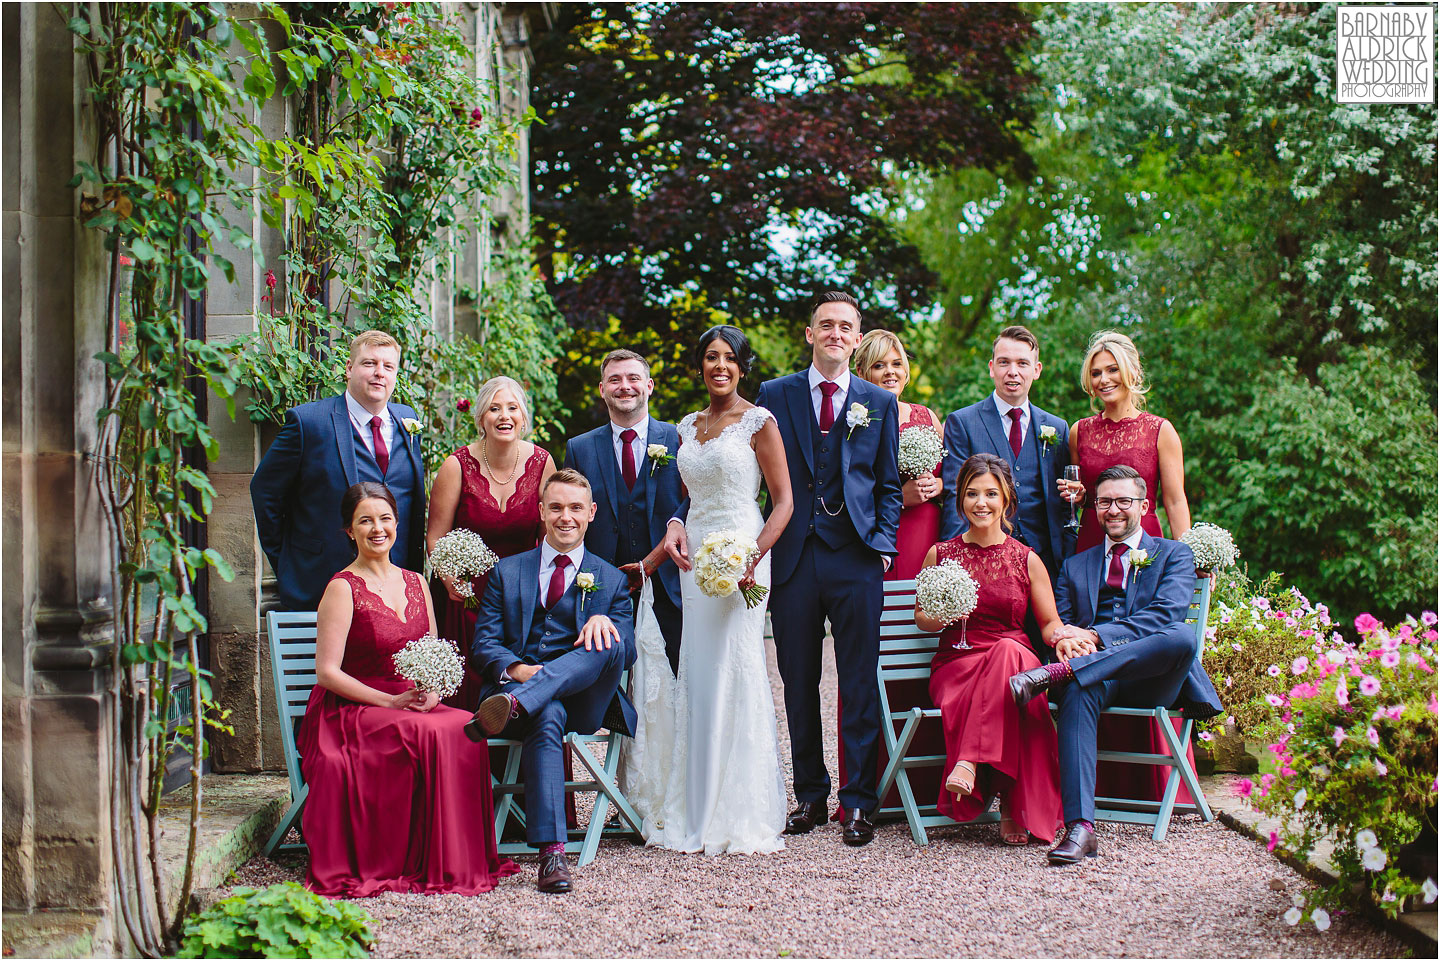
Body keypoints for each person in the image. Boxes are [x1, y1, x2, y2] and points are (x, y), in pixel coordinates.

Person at [667, 292, 902, 847]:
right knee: (796, 680)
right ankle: (812, 796)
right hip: (791, 555)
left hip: (857, 556)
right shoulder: (775, 396)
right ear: (810, 333)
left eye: (846, 326)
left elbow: (889, 483)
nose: (835, 334)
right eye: (826, 325)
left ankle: (859, 803)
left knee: (858, 680)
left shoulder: (878, 403)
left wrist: (883, 543)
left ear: (856, 334)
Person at [298, 482, 518, 896]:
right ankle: (410, 860)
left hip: (411, 700)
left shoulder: (418, 581)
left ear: (397, 523)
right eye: (365, 520)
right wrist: (389, 700)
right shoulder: (342, 588)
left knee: (465, 727)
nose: (376, 529)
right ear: (349, 530)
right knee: (429, 732)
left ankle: (455, 860)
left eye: (384, 519)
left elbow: (433, 651)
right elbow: (327, 673)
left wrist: (433, 691)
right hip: (352, 708)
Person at [1007, 466, 1222, 864]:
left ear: (1143, 505)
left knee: (1181, 636)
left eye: (1124, 501)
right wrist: (1069, 641)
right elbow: (1063, 623)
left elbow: (1166, 616)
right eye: (1105, 502)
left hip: (1153, 679)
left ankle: (1059, 675)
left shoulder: (1174, 554)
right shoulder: (1075, 566)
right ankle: (1080, 829)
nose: (1114, 510)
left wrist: (1096, 637)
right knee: (1078, 688)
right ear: (1095, 508)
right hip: (1095, 677)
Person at [635, 326, 794, 855]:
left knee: (735, 664)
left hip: (744, 554)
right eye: (710, 357)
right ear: (700, 366)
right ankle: (695, 802)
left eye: (729, 358)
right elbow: (687, 497)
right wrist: (677, 524)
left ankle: (739, 809)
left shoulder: (759, 422)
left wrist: (753, 557)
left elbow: (784, 502)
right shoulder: (687, 425)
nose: (719, 366)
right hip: (694, 557)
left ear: (742, 367)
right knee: (698, 669)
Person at [467, 469, 637, 894]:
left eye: (576, 508)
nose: (566, 517)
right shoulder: (507, 572)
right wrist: (521, 673)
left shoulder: (612, 579)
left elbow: (628, 651)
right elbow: (484, 644)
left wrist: (602, 618)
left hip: (582, 701)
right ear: (541, 511)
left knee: (610, 638)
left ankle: (524, 700)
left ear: (591, 513)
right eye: (557, 507)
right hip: (528, 696)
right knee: (547, 713)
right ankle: (553, 855)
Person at [916, 454, 1064, 845]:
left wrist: (1065, 638)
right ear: (960, 501)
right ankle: (1014, 807)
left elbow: (1048, 624)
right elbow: (923, 621)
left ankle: (969, 761)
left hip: (1013, 657)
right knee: (1015, 676)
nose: (981, 503)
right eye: (971, 494)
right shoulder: (940, 555)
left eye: (991, 494)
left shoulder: (1027, 559)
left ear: (1007, 499)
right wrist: (944, 610)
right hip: (957, 665)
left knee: (1008, 653)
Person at [251, 330, 427, 611]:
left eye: (388, 366)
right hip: (322, 583)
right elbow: (265, 491)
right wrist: (287, 561)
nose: (379, 373)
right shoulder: (309, 423)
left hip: (397, 588)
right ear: (349, 368)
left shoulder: (408, 419)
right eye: (369, 363)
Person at [426, 376, 556, 710]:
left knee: (513, 684)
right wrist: (448, 578)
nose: (504, 416)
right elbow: (435, 536)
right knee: (464, 690)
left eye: (512, 408)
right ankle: (465, 759)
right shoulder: (456, 466)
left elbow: (550, 536)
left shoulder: (542, 464)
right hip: (465, 597)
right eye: (494, 409)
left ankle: (515, 760)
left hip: (520, 595)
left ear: (523, 418)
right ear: (481, 417)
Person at [563, 349, 685, 675]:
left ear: (649, 386)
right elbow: (570, 521)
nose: (624, 386)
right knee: (610, 684)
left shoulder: (678, 438)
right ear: (602, 389)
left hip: (671, 584)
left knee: (675, 679)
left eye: (633, 378)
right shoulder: (580, 448)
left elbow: (692, 503)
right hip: (604, 586)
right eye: (614, 380)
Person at [939, 325, 1075, 581]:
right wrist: (953, 562)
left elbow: (1064, 503)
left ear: (1036, 370)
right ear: (992, 368)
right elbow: (954, 495)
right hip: (982, 558)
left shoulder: (1057, 428)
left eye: (1022, 363)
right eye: (1004, 363)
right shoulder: (963, 422)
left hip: (1046, 562)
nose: (1013, 372)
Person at [1070, 330, 1190, 553]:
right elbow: (1079, 498)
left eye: (1113, 370)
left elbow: (1175, 502)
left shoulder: (1161, 430)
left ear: (1133, 373)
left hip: (1144, 545)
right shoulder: (1079, 431)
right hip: (1092, 544)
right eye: (1096, 373)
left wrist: (1188, 561)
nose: (1104, 380)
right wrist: (1079, 497)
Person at [854, 329, 944, 580]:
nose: (890, 372)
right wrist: (899, 498)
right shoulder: (854, 421)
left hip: (926, 526)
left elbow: (956, 478)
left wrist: (938, 484)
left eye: (896, 364)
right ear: (862, 372)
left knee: (922, 606)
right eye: (879, 365)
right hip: (876, 530)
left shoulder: (927, 417)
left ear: (905, 371)